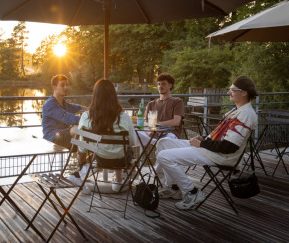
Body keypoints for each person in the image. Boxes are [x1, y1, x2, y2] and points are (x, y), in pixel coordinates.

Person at [156, 76, 258, 210]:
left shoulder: (246, 115)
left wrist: (202, 144)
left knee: (163, 156)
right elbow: (222, 137)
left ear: (244, 92)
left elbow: (229, 147)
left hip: (220, 156)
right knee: (163, 143)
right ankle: (175, 188)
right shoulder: (235, 111)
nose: (228, 93)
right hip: (210, 149)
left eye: (232, 90)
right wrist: (203, 138)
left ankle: (192, 192)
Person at [68, 79, 137, 192]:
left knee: (95, 148)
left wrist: (81, 163)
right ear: (114, 96)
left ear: (95, 95)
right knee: (126, 149)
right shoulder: (124, 117)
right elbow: (132, 142)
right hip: (121, 161)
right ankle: (119, 181)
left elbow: (82, 147)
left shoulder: (86, 116)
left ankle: (80, 173)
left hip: (100, 158)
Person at [137, 73, 185, 145]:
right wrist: (149, 132)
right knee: (133, 135)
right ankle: (127, 156)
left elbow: (176, 122)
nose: (160, 86)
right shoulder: (151, 104)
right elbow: (146, 122)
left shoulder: (177, 101)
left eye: (163, 84)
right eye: (159, 84)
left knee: (164, 142)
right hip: (153, 134)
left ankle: (160, 155)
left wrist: (156, 124)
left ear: (170, 86)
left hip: (169, 134)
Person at [42, 74, 87, 149]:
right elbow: (66, 116)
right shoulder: (50, 104)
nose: (66, 87)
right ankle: (82, 155)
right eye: (62, 85)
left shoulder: (63, 103)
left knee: (89, 145)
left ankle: (83, 158)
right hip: (52, 137)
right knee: (76, 129)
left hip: (64, 137)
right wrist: (88, 122)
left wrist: (88, 109)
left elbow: (73, 107)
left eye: (67, 85)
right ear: (54, 87)